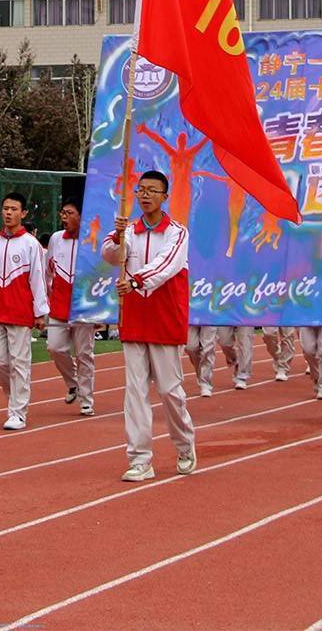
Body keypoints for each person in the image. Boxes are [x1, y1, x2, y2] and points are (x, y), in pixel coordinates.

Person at [102, 169, 197, 481]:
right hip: (134, 318)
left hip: (165, 318)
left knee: (170, 391)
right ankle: (140, 458)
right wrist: (116, 238)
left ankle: (184, 445)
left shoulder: (177, 232)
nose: (145, 195)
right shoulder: (128, 230)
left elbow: (167, 266)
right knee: (135, 391)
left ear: (164, 196)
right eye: (141, 189)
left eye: (152, 190)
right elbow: (110, 255)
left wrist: (136, 279)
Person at [0, 192, 48, 431]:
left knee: (20, 362)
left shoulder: (30, 244)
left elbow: (38, 278)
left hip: (20, 311)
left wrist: (39, 312)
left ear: (23, 213)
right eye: (5, 208)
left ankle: (18, 411)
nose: (8, 213)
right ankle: (13, 392)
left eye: (14, 209)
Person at [45, 199, 96, 416]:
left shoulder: (92, 240)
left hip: (84, 307)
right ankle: (72, 383)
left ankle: (86, 398)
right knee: (54, 347)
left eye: (69, 213)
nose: (64, 217)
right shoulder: (57, 239)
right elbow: (48, 269)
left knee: (84, 353)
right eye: (62, 213)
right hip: (59, 305)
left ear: (81, 217)